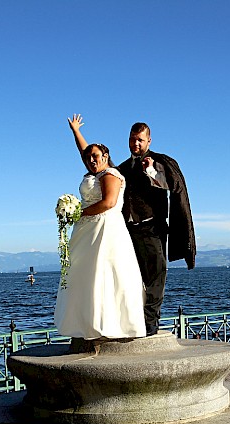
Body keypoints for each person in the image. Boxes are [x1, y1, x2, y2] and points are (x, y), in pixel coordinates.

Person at [54, 116, 146, 341]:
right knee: (84, 275)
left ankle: (110, 325)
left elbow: (109, 203)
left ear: (105, 157)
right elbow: (84, 150)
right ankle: (86, 325)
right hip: (86, 231)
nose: (91, 160)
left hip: (105, 229)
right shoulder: (93, 171)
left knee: (102, 274)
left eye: (96, 156)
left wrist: (77, 213)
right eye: (88, 158)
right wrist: (75, 131)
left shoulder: (110, 175)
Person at [118, 122, 195, 336]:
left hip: (153, 229)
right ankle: (132, 319)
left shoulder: (159, 162)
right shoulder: (122, 168)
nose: (136, 143)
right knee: (132, 276)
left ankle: (150, 323)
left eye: (140, 140)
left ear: (149, 140)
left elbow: (169, 184)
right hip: (128, 231)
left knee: (156, 275)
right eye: (132, 139)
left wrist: (151, 171)